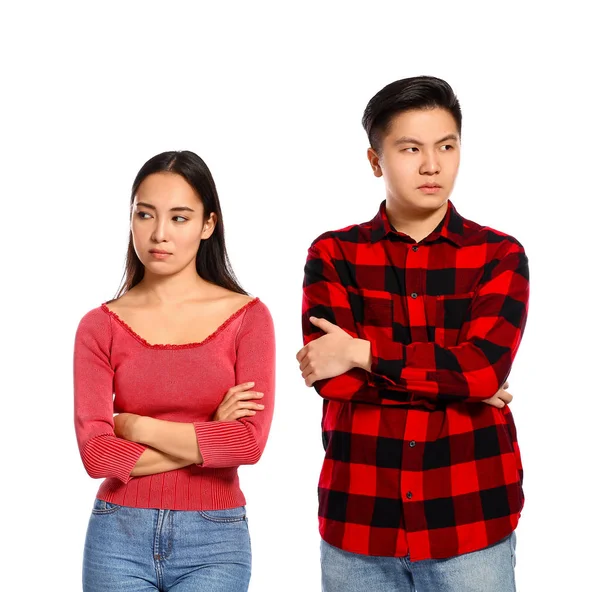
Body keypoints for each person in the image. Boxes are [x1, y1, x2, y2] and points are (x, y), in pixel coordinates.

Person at [297, 76, 528, 591]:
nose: (432, 165)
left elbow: (484, 368)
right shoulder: (333, 255)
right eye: (411, 149)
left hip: (470, 524)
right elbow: (335, 383)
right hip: (359, 526)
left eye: (446, 146)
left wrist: (361, 352)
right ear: (376, 161)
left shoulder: (499, 255)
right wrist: (460, 384)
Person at [74, 150, 275, 592]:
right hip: (116, 535)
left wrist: (134, 425)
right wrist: (209, 434)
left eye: (179, 218)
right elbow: (97, 456)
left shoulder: (248, 318)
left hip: (215, 540)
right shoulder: (99, 325)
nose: (159, 234)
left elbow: (248, 442)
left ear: (208, 225)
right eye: (145, 215)